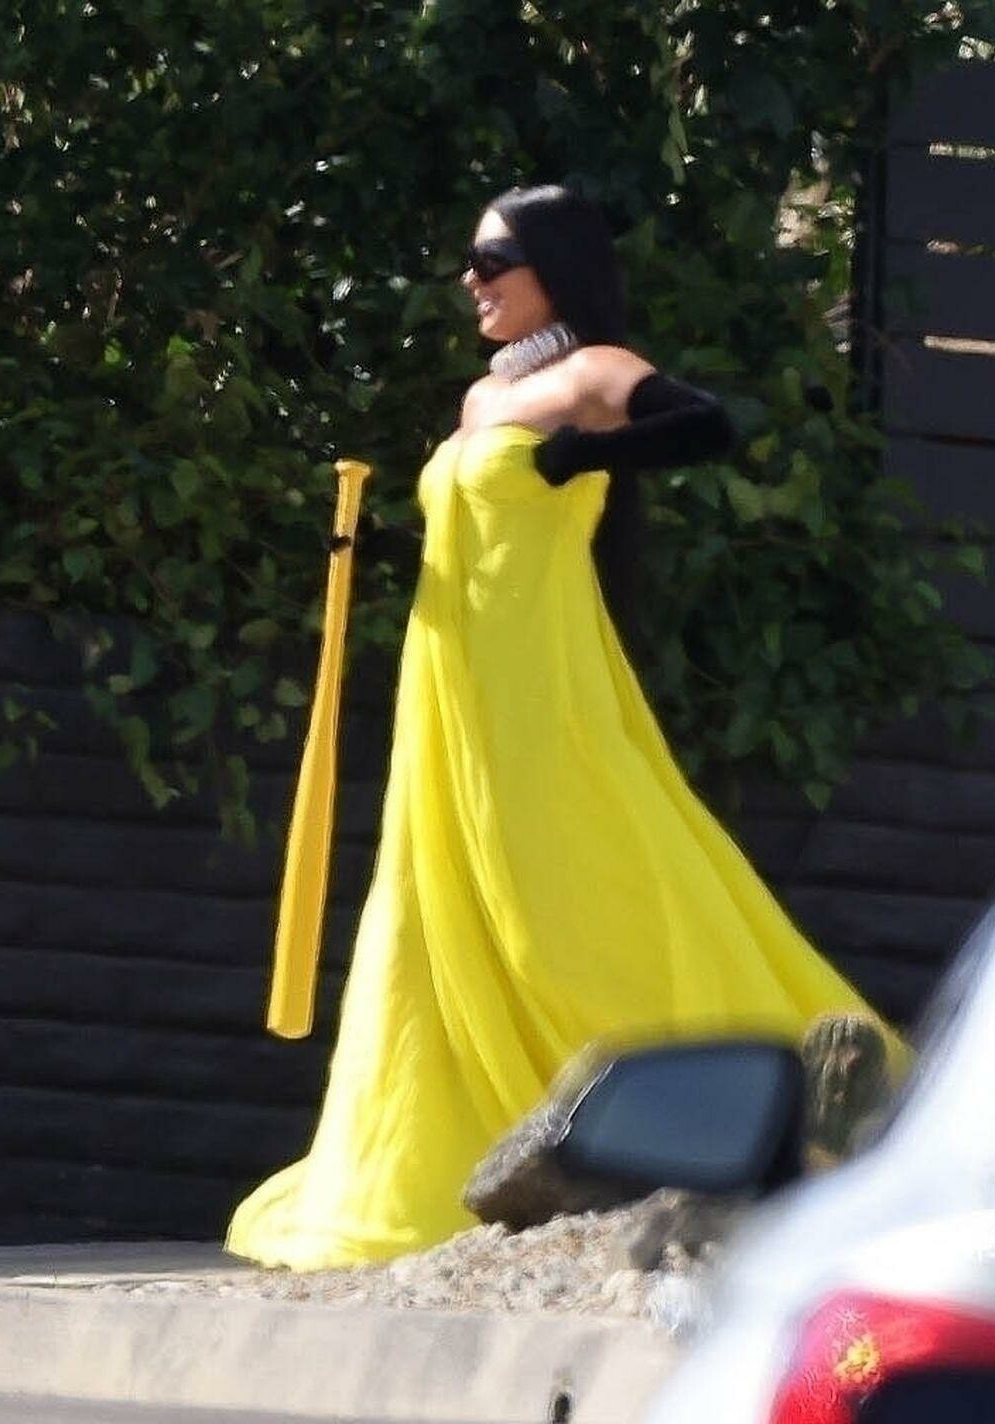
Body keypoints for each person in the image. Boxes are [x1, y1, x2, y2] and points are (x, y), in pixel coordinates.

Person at [224, 184, 908, 1272]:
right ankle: (489, 1142)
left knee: (570, 899)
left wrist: (575, 458)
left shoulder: (592, 374)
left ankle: (747, 1105)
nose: (473, 280)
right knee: (444, 906)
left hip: (540, 692)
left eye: (494, 260)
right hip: (453, 696)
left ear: (553, 265)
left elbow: (707, 423)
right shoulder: (482, 396)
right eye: (472, 261)